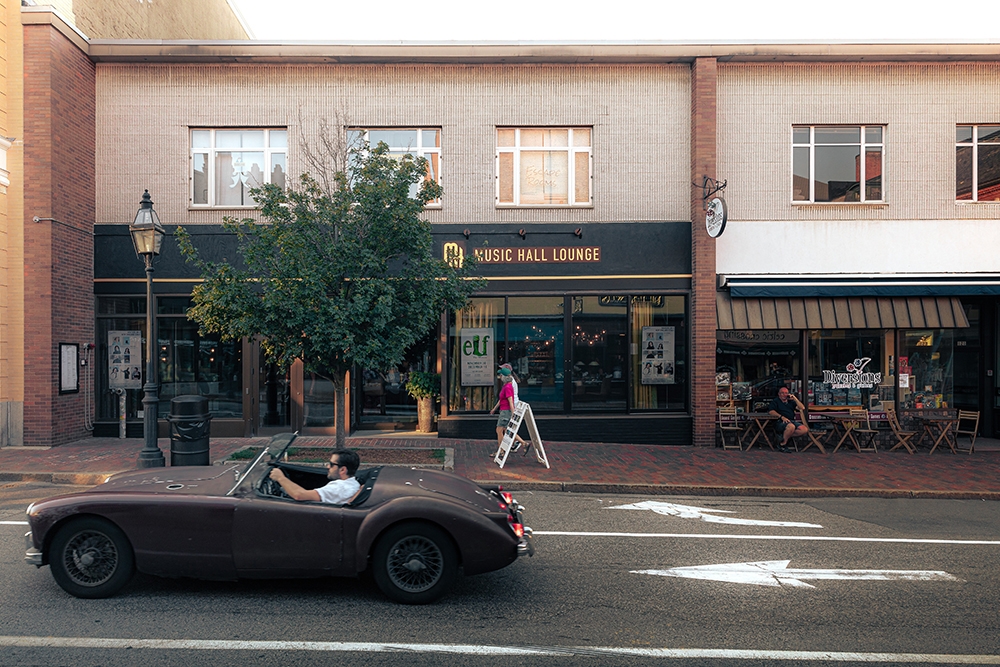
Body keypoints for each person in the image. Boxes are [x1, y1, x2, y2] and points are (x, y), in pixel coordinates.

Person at [269, 449, 361, 504]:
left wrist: (280, 478)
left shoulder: (340, 488)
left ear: (342, 470)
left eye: (331, 464)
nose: (328, 466)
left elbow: (299, 496)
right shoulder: (352, 483)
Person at [490, 366, 528, 452]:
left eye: (500, 375)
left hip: (505, 411)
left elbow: (510, 401)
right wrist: (494, 409)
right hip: (504, 410)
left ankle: (501, 451)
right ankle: (522, 443)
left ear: (504, 376)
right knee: (507, 430)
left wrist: (513, 413)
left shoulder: (508, 387)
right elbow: (502, 399)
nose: (499, 376)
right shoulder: (506, 386)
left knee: (499, 430)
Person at [768, 386, 809, 452]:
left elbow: (802, 408)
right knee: (791, 426)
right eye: (782, 393)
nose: (785, 395)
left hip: (791, 420)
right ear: (779, 394)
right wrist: (781, 417)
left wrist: (795, 398)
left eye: (786, 393)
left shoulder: (791, 402)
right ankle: (783, 445)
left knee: (804, 429)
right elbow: (771, 411)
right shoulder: (776, 401)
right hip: (779, 421)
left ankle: (782, 440)